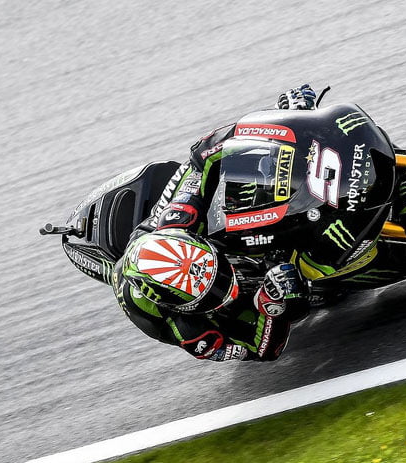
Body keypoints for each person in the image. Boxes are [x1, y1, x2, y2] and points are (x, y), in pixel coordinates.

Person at [110, 85, 318, 362]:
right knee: (286, 307)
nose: (229, 287)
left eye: (219, 276)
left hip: (161, 233)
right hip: (205, 311)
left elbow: (205, 153)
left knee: (241, 185)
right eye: (214, 292)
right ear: (182, 308)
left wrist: (288, 119)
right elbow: (261, 351)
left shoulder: (178, 219)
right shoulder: (190, 332)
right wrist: (271, 307)